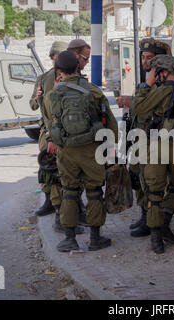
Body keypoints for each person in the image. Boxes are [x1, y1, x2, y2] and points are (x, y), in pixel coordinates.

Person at [47, 51, 118, 252]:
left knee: (69, 191)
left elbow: (53, 122)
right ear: (79, 66)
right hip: (92, 149)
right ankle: (95, 238)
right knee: (94, 191)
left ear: (59, 70)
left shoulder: (55, 93)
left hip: (67, 150)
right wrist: (111, 154)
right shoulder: (93, 91)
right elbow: (110, 125)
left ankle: (70, 239)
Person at [132, 55, 174, 254]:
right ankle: (165, 225)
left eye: (156, 72)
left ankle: (156, 240)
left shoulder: (163, 90)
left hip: (159, 144)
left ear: (162, 72)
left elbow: (139, 107)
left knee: (154, 192)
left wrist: (147, 84)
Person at [118, 38, 172, 238]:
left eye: (150, 57)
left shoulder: (163, 81)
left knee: (151, 182)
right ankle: (144, 216)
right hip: (139, 135)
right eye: (143, 57)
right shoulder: (147, 80)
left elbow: (151, 105)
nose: (145, 61)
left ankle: (152, 223)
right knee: (138, 178)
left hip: (154, 139)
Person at [29, 42, 67, 227]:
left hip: (64, 131)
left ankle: (65, 208)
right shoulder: (43, 78)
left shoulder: (69, 76)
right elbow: (33, 105)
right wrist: (37, 96)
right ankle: (49, 202)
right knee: (47, 168)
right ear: (52, 57)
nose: (57, 59)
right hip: (46, 131)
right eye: (56, 56)